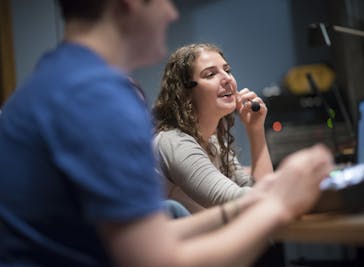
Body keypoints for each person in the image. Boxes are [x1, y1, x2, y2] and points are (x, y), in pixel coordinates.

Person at [0, 1, 333, 267]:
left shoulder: (53, 83)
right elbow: (158, 261)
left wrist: (265, 199)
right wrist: (276, 207)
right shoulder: (98, 98)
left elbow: (152, 235)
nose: (172, 12)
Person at [153, 43, 273, 213]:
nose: (227, 79)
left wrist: (256, 130)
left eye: (227, 70)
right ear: (184, 93)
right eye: (210, 74)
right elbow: (241, 203)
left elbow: (257, 190)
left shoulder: (213, 142)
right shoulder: (174, 142)